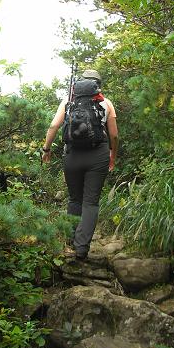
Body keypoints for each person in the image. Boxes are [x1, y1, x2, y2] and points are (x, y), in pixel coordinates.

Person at [41, 69, 118, 259]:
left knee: (75, 199)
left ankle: (69, 241)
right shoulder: (106, 103)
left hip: (72, 155)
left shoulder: (68, 102)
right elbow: (114, 135)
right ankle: (81, 248)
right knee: (90, 202)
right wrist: (112, 155)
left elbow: (53, 126)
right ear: (98, 85)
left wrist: (46, 149)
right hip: (98, 155)